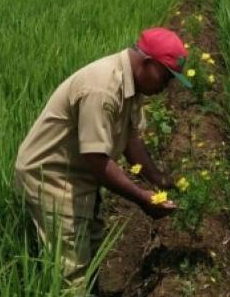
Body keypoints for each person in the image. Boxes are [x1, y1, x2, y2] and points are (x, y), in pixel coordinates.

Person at [14, 27, 192, 291]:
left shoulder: (133, 85)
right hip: (51, 177)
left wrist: (157, 178)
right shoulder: (103, 89)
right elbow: (97, 160)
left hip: (79, 174)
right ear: (148, 63)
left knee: (93, 246)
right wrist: (142, 198)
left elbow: (130, 141)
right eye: (166, 77)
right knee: (70, 271)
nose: (167, 86)